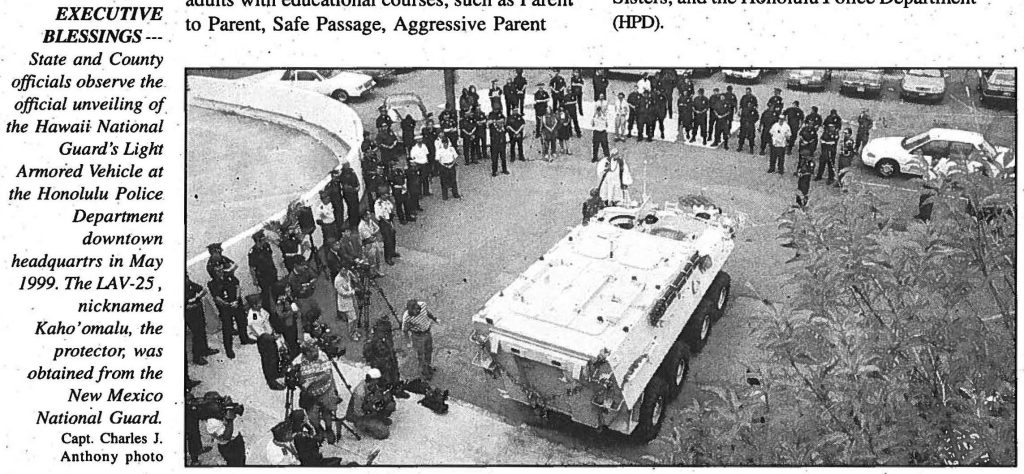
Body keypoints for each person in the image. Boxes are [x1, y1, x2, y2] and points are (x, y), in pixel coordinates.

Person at [294, 341, 343, 443]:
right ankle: (319, 431)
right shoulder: (299, 362)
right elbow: (298, 380)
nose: (316, 352)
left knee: (327, 412)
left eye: (316, 349)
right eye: (312, 351)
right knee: (312, 416)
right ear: (306, 353)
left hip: (326, 391)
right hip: (310, 395)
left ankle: (329, 430)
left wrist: (311, 381)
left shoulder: (322, 356)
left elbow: (326, 375)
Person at [208, 265, 250, 359]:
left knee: (242, 322)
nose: (220, 271)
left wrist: (237, 299)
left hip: (236, 303)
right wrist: (227, 304)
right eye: (217, 270)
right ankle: (229, 349)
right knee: (227, 329)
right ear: (214, 273)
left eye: (221, 269)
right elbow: (216, 298)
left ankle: (244, 339)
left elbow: (237, 287)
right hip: (225, 307)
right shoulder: (212, 283)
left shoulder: (229, 276)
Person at [345, 368, 394, 440]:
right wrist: (372, 412)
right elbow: (358, 412)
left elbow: (377, 397)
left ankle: (378, 420)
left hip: (368, 410)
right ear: (373, 380)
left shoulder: (373, 386)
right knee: (384, 433)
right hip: (359, 417)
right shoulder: (360, 392)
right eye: (377, 379)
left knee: (391, 405)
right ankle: (365, 426)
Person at [202, 392, 246, 466]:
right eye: (219, 401)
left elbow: (239, 409)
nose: (222, 403)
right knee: (234, 463)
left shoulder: (220, 410)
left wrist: (231, 405)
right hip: (228, 446)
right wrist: (230, 420)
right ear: (210, 406)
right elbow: (226, 437)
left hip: (237, 439)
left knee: (241, 459)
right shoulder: (212, 421)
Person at [401, 298, 439, 380]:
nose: (416, 313)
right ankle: (424, 372)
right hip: (418, 336)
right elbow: (405, 330)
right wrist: (408, 342)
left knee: (429, 350)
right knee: (421, 354)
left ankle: (428, 366)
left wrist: (434, 319)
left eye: (417, 310)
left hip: (427, 332)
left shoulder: (423, 305)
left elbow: (427, 313)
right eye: (414, 312)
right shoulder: (406, 317)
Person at [186, 274, 217, 366]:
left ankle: (205, 349)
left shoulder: (190, 284)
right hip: (189, 314)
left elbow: (203, 290)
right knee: (196, 334)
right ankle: (197, 357)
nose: (187, 279)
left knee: (202, 330)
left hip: (197, 310)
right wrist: (188, 305)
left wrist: (197, 297)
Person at [374, 185, 401, 264]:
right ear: (381, 195)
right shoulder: (378, 204)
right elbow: (379, 216)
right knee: (387, 240)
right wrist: (388, 223)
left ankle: (392, 252)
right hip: (384, 223)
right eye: (385, 194)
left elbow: (392, 208)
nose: (387, 195)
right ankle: (388, 257)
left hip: (390, 220)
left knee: (393, 237)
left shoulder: (388, 201)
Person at [358, 210, 384, 278]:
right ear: (364, 217)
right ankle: (372, 273)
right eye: (368, 215)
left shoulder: (370, 221)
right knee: (371, 260)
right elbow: (369, 238)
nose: (370, 216)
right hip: (368, 245)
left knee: (378, 257)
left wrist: (373, 234)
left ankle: (378, 271)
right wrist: (374, 234)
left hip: (374, 241)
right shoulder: (361, 226)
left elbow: (378, 228)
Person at [334, 267, 357, 337]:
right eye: (343, 270)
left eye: (346, 270)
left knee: (355, 316)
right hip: (345, 302)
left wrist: (354, 277)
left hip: (351, 299)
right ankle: (351, 334)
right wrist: (353, 291)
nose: (345, 271)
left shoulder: (347, 273)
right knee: (352, 318)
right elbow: (342, 293)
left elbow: (352, 275)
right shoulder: (338, 280)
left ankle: (354, 331)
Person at [338, 164, 362, 228]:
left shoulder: (352, 171)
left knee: (356, 207)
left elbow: (356, 180)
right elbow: (346, 187)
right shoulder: (342, 175)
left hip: (354, 193)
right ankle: (353, 223)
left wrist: (358, 186)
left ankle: (357, 219)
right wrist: (355, 189)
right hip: (349, 195)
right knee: (351, 208)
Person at [488, 109, 509, 175]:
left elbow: (506, 130)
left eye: (502, 121)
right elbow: (488, 123)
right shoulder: (493, 127)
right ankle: (494, 171)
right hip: (495, 144)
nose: (501, 122)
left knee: (503, 157)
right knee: (495, 158)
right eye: (500, 121)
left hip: (502, 143)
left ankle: (504, 169)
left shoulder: (503, 127)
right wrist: (493, 121)